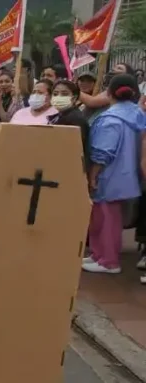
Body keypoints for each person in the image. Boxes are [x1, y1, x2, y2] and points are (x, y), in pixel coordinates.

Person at [82, 74, 146, 275]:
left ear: (108, 93)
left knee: (107, 219)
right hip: (128, 175)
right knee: (110, 218)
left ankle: (108, 260)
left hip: (109, 176)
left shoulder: (111, 119)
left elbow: (103, 152)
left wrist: (93, 175)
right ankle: (99, 254)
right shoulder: (138, 114)